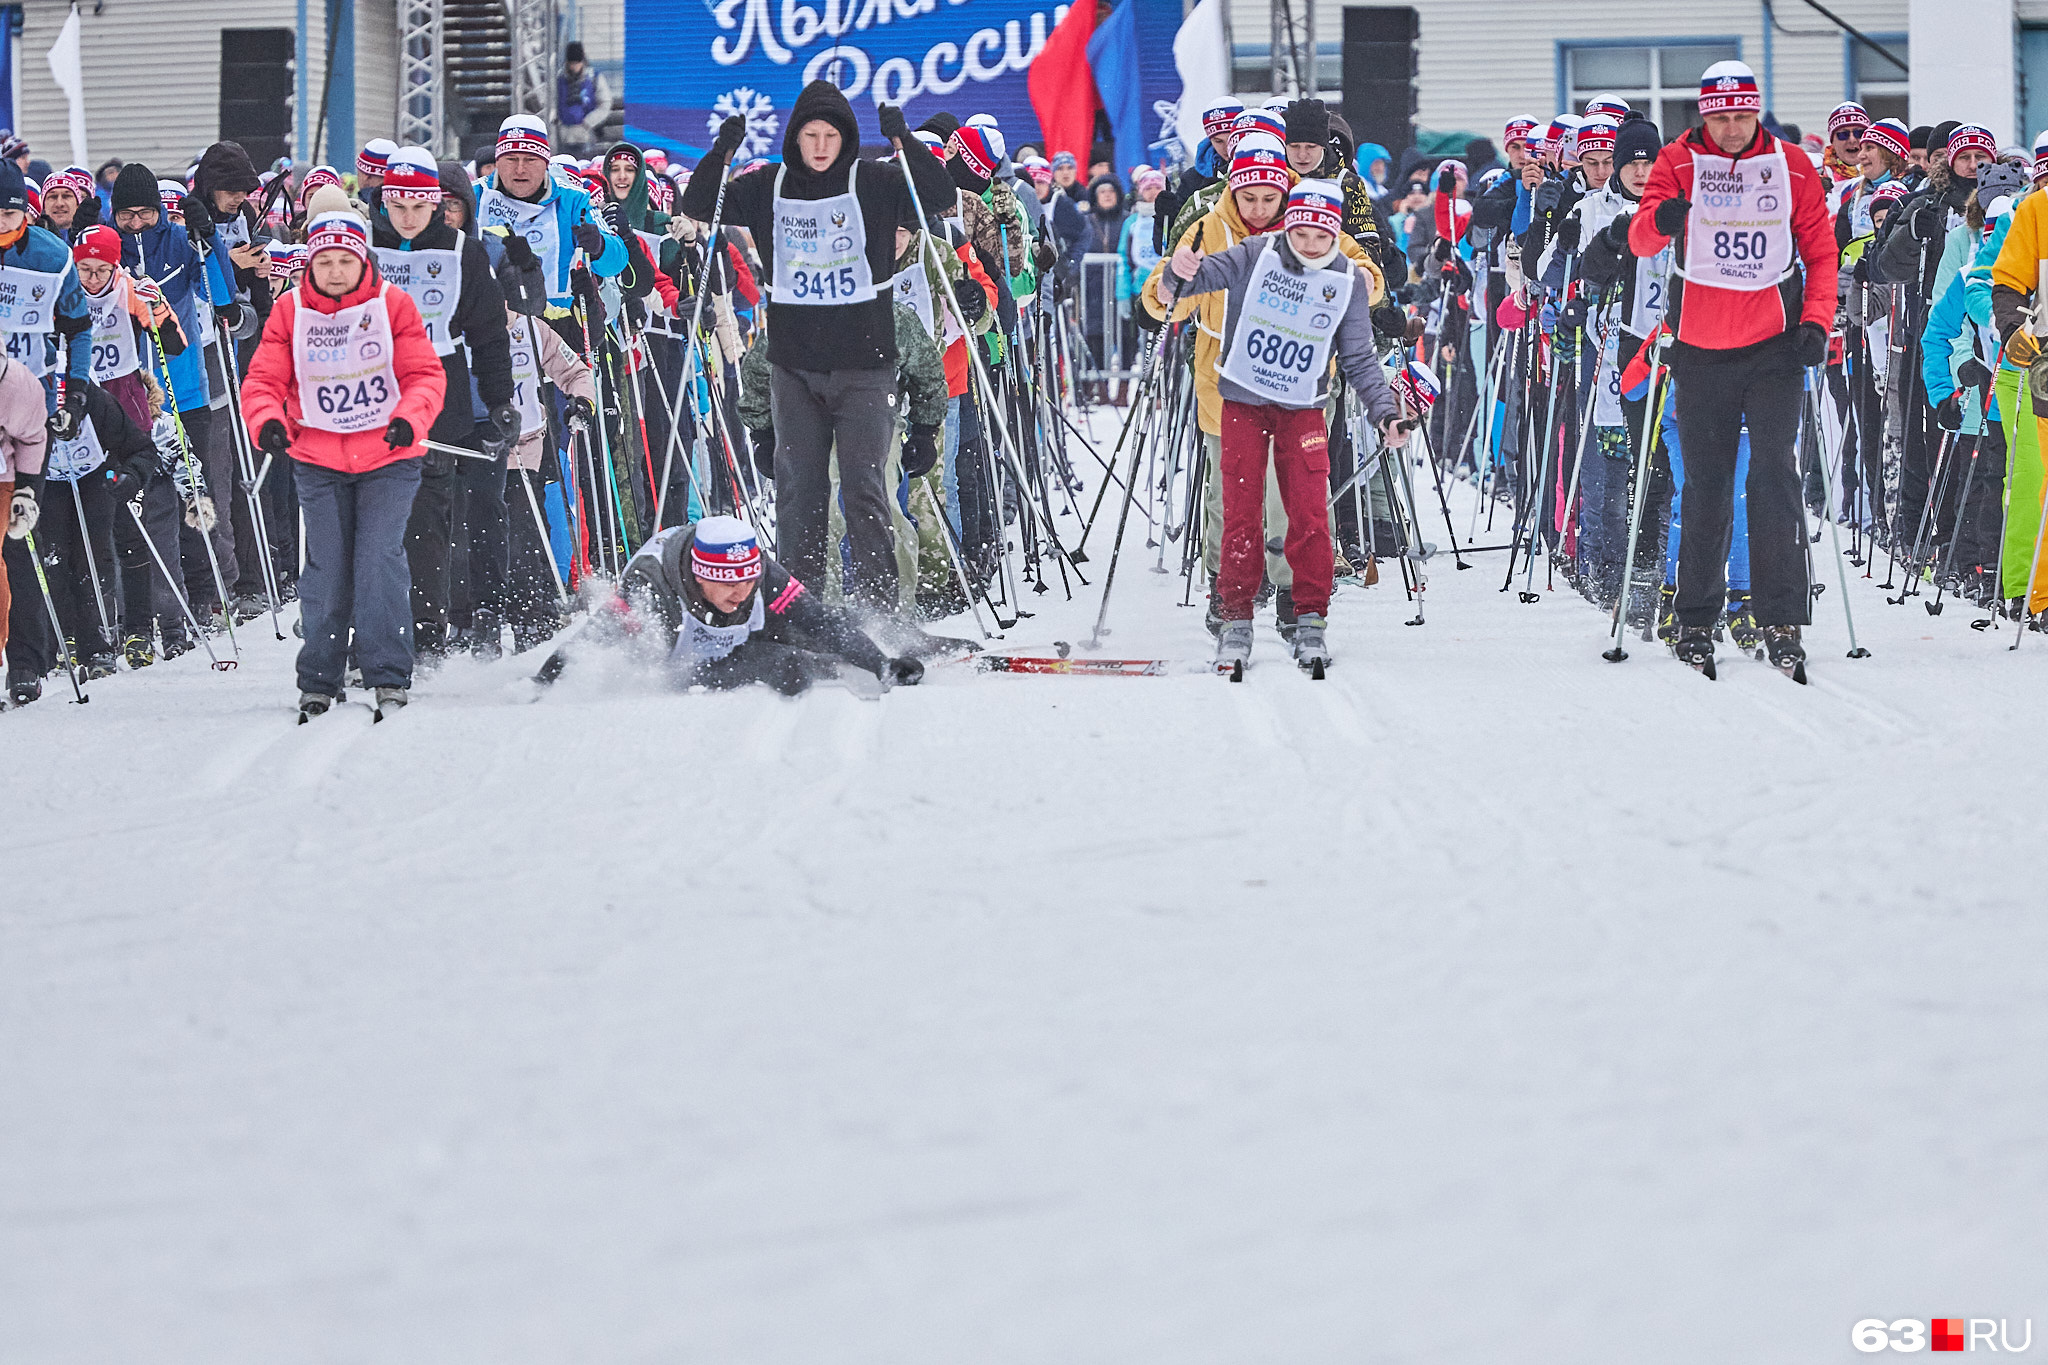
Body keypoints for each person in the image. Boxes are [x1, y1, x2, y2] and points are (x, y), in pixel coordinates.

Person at [680, 80, 956, 614]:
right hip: (795, 370)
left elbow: (940, 198)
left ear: (847, 137)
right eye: (811, 134)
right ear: (795, 138)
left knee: (864, 491)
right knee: (799, 499)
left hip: (865, 368)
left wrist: (903, 139)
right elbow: (698, 203)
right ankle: (800, 614)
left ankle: (879, 613)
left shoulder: (874, 181)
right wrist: (722, 152)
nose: (822, 145)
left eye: (832, 134)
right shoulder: (767, 186)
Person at [1628, 59, 1837, 678]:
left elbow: (1821, 252)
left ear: (1757, 110)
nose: (1731, 129)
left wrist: (1817, 322)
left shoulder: (1793, 164)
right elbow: (1641, 239)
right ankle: (1695, 617)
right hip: (1700, 345)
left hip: (1774, 343)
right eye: (1720, 118)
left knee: (1775, 475)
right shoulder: (1676, 160)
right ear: (1703, 115)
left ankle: (1780, 617)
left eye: (1742, 116)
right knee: (1707, 482)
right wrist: (1663, 219)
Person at [1164, 180, 1406, 673]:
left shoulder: (1348, 280)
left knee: (1309, 514)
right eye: (1301, 234)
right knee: (1241, 512)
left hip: (1303, 408)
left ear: (1336, 233)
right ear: (1287, 226)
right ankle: (1235, 616)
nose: (1311, 245)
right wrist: (1177, 274)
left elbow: (1358, 358)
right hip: (1243, 403)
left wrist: (1385, 413)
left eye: (1322, 236)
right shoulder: (1255, 254)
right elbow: (1192, 284)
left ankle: (1309, 616)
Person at [240, 204, 448, 721]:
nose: (334, 271)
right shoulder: (290, 311)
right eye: (324, 261)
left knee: (378, 561)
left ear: (363, 262)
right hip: (316, 456)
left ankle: (388, 674)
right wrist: (268, 422)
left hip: (389, 455)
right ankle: (319, 678)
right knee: (327, 570)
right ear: (310, 263)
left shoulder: (391, 303)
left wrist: (409, 418)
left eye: (345, 261)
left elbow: (425, 375)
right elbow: (264, 381)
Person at [371, 147, 517, 662]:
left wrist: (500, 399)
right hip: (368, 397)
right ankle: (366, 621)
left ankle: (428, 626)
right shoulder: (362, 248)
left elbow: (488, 333)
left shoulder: (463, 252)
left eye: (418, 205)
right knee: (371, 513)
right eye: (397, 204)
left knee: (430, 513)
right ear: (382, 200)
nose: (407, 216)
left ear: (435, 203)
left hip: (439, 393)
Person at [569, 514, 924, 694]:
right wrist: (540, 685)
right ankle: (825, 667)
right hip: (683, 666)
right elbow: (587, 643)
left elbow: (820, 620)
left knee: (829, 625)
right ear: (699, 575)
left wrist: (881, 664)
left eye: (747, 580)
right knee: (786, 664)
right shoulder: (650, 586)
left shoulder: (764, 574)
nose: (740, 591)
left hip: (741, 633)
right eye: (727, 582)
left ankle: (910, 645)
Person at [557, 43, 615, 155]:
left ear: (582, 62)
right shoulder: (559, 79)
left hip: (587, 134)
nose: (573, 67)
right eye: (571, 63)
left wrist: (588, 122)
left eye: (577, 63)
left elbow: (605, 103)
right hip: (563, 135)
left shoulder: (594, 77)